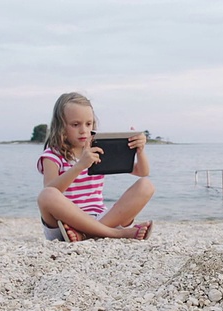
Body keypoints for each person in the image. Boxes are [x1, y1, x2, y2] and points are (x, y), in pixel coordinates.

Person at [37, 92, 155, 242]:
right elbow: (51, 189)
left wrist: (140, 150)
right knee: (46, 195)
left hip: (100, 218)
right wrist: (80, 166)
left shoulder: (98, 148)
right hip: (64, 223)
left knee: (146, 186)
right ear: (61, 126)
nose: (84, 130)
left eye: (88, 124)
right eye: (75, 124)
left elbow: (142, 172)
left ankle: (87, 234)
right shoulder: (52, 155)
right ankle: (116, 233)